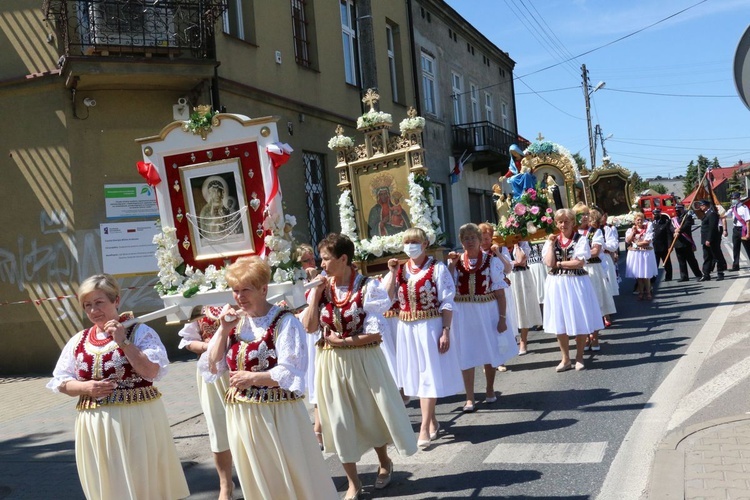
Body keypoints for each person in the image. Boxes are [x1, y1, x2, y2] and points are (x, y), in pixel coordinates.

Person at [47, 274, 189, 500]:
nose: (94, 310)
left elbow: (151, 372)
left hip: (137, 419)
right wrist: (87, 388)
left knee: (141, 477)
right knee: (108, 482)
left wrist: (123, 341)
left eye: (99, 302)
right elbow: (60, 381)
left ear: (116, 301)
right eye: (87, 305)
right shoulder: (79, 340)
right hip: (95, 424)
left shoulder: (140, 332)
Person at [207, 256, 338, 500]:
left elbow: (291, 371)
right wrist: (223, 330)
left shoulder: (284, 322)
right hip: (243, 413)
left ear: (263, 289)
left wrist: (252, 377)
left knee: (289, 473)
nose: (239, 296)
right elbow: (213, 364)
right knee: (257, 476)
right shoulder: (236, 324)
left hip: (277, 414)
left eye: (246, 289)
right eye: (235, 290)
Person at [303, 234, 417, 500]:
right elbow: (309, 327)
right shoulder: (321, 288)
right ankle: (353, 481)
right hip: (331, 362)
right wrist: (316, 294)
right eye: (321, 259)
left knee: (369, 415)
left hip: (363, 359)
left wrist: (342, 341)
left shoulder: (368, 287)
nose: (322, 265)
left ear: (343, 259)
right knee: (339, 421)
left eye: (327, 259)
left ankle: (384, 461)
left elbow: (376, 333)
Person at [384, 228, 464, 448]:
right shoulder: (399, 270)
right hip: (406, 328)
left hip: (430, 326)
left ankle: (423, 426)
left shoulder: (437, 268)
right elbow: (386, 298)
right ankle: (433, 422)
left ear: (425, 244)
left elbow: (447, 301)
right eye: (407, 242)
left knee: (428, 374)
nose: (410, 246)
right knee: (416, 377)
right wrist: (391, 273)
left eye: (415, 241)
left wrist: (446, 330)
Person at [447, 224, 516, 413]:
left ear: (479, 240)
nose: (469, 241)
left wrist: (502, 318)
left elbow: (500, 293)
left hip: (486, 310)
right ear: (461, 242)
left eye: (473, 238)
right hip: (463, 313)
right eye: (466, 238)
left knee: (488, 350)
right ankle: (470, 397)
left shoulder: (490, 261)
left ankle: (489, 388)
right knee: (465, 353)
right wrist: (452, 266)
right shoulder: (456, 262)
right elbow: (447, 287)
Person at [178, 306, 234, 500]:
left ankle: (256, 477)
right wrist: (207, 347)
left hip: (243, 366)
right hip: (212, 372)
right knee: (218, 428)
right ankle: (226, 484)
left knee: (252, 426)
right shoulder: (198, 302)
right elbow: (188, 342)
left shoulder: (241, 293)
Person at [542, 209, 604, 371]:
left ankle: (579, 356)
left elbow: (579, 263)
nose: (563, 225)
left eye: (566, 221)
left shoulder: (581, 239)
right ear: (556, 223)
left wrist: (560, 264)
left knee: (579, 318)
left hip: (576, 282)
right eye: (560, 222)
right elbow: (549, 262)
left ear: (572, 223)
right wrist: (549, 244)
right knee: (559, 321)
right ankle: (565, 358)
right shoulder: (553, 240)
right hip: (556, 283)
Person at [295, 243, 324, 450]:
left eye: (313, 259)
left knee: (317, 381)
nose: (311, 263)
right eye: (306, 260)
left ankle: (319, 429)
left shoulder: (320, 279)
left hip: (316, 333)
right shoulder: (294, 282)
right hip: (300, 336)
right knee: (309, 383)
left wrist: (314, 281)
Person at [578, 205, 616, 348]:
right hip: (578, 269)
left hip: (593, 269)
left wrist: (577, 256)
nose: (583, 217)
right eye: (579, 215)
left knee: (595, 303)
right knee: (582, 305)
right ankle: (586, 336)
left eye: (585, 214)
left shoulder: (595, 232)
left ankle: (595, 336)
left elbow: (595, 251)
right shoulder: (573, 233)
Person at [509, 241, 543, 355]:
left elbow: (521, 260)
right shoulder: (502, 246)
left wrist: (516, 245)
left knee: (523, 308)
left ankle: (523, 340)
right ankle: (512, 338)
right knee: (510, 308)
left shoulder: (524, 244)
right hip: (508, 277)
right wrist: (511, 263)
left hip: (522, 276)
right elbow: (502, 264)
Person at [625, 212, 658, 299]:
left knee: (646, 275)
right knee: (639, 275)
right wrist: (633, 232)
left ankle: (648, 292)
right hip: (636, 255)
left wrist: (636, 244)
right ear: (635, 221)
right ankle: (640, 292)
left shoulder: (647, 229)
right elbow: (628, 240)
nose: (639, 221)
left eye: (641, 219)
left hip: (644, 254)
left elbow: (647, 242)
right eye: (637, 220)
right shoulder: (630, 230)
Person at [695, 199, 727, 281]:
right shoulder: (706, 214)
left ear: (705, 205)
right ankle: (706, 274)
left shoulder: (712, 214)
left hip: (712, 240)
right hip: (706, 240)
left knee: (716, 256)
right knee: (707, 257)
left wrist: (709, 239)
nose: (700, 207)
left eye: (701, 205)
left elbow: (712, 228)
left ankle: (720, 273)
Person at [671, 203, 703, 282]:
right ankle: (684, 276)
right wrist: (674, 230)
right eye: (676, 209)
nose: (677, 210)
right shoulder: (674, 219)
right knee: (681, 261)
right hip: (678, 243)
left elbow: (687, 226)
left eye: (679, 209)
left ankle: (698, 275)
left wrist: (680, 230)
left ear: (682, 209)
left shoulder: (687, 217)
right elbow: (670, 227)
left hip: (686, 242)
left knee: (691, 260)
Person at [728, 192, 750, 271]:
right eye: (732, 199)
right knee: (736, 248)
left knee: (748, 248)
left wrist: (748, 233)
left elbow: (748, 221)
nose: (733, 200)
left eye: (735, 198)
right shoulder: (733, 207)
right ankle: (736, 266)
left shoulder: (744, 208)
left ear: (739, 198)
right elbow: (726, 215)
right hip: (735, 229)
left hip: (743, 230)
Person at [651, 208, 674, 281]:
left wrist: (670, 245)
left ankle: (668, 277)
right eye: (654, 214)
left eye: (657, 213)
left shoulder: (665, 222)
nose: (655, 215)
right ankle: (653, 278)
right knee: (654, 264)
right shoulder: (651, 223)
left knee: (667, 263)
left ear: (660, 214)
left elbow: (669, 235)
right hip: (654, 247)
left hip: (663, 246)